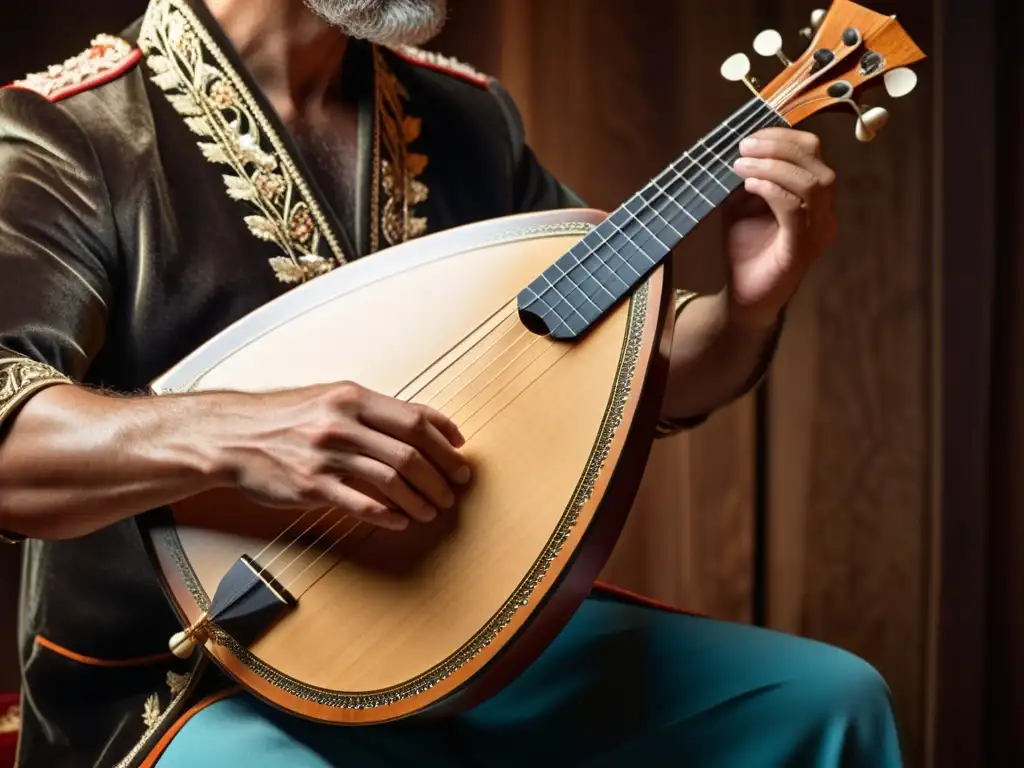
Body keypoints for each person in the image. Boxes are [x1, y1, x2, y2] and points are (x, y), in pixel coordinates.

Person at [0, 0, 902, 765]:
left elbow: (626, 372)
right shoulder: (70, 129)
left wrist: (747, 307)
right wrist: (235, 436)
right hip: (176, 678)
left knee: (827, 699)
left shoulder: (468, 117)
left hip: (457, 638)